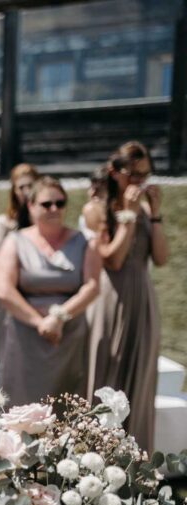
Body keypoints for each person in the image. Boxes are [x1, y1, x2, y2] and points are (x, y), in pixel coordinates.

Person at [84, 142, 169, 452]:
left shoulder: (146, 210)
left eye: (145, 175)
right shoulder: (96, 209)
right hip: (110, 298)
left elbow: (160, 258)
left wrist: (155, 215)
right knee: (108, 374)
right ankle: (94, 460)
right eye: (133, 175)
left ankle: (135, 464)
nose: (139, 182)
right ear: (114, 172)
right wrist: (129, 217)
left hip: (142, 297)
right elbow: (114, 260)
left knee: (141, 378)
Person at [0, 176, 101, 406]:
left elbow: (92, 286)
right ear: (31, 206)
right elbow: (4, 290)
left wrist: (59, 317)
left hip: (69, 335)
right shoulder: (15, 240)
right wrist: (40, 323)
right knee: (20, 405)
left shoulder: (85, 241)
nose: (54, 209)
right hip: (25, 336)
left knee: (67, 407)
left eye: (60, 203)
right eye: (46, 204)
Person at [0, 164, 38, 362]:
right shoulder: (4, 222)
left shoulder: (45, 219)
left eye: (30, 186)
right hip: (11, 287)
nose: (25, 193)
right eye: (21, 188)